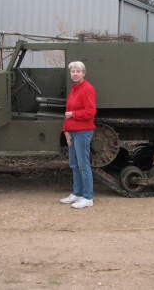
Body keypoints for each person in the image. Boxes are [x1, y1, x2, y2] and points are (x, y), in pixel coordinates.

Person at [59, 61, 97, 209]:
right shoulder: (74, 89)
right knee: (74, 164)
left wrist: (74, 114)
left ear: (83, 73)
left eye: (78, 71)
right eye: (72, 71)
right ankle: (77, 193)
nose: (75, 73)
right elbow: (67, 113)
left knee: (83, 165)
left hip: (83, 131)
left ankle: (88, 197)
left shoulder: (87, 88)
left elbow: (90, 112)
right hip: (73, 132)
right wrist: (66, 132)